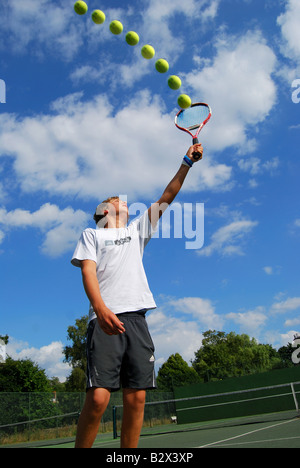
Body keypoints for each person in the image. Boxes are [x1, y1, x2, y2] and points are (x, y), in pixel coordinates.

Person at [71, 143, 204, 448]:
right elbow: (88, 272)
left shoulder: (136, 231)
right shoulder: (93, 235)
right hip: (105, 318)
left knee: (137, 397)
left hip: (136, 319)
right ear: (105, 211)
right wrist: (100, 309)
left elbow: (167, 196)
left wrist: (187, 162)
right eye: (116, 199)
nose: (124, 201)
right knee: (100, 397)